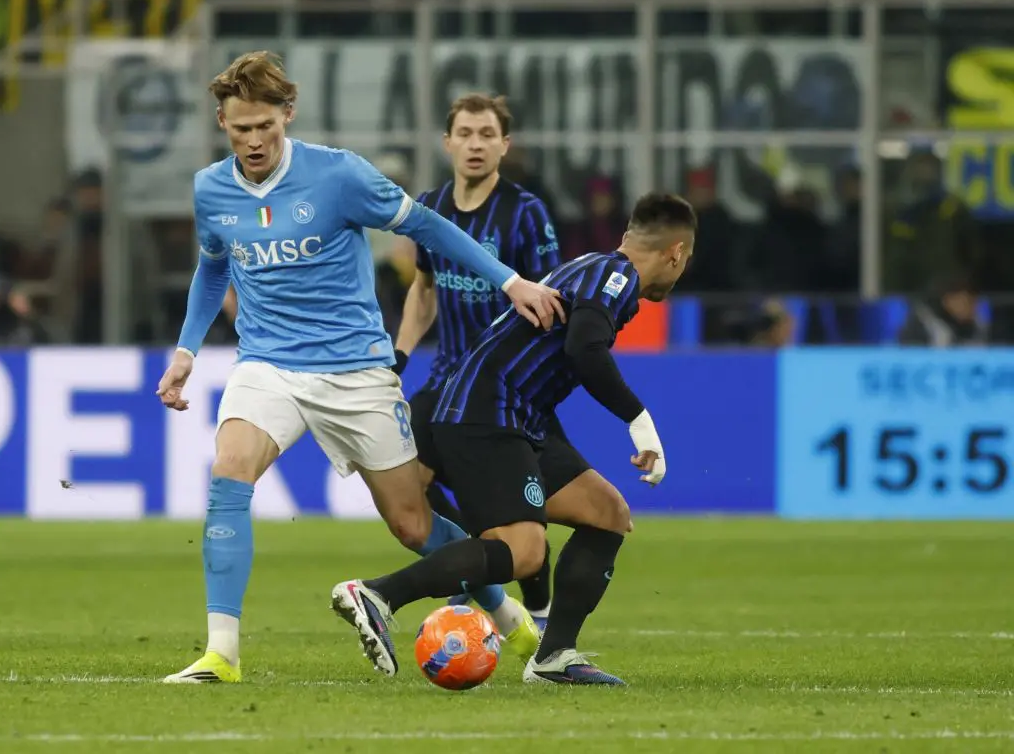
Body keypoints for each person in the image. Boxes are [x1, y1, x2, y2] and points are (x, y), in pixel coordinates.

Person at [154, 51, 562, 684]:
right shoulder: (211, 188)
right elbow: (213, 268)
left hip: (355, 370)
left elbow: (428, 225)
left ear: (288, 115)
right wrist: (186, 351)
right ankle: (221, 654)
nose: (254, 141)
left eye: (265, 126)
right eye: (241, 129)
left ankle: (509, 618)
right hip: (267, 365)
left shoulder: (338, 175)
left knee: (412, 524)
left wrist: (510, 282)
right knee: (228, 472)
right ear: (222, 123)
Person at [330, 193, 696, 685]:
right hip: (488, 413)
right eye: (686, 260)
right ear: (676, 252)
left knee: (607, 513)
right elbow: (585, 347)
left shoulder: (593, 267)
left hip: (516, 416)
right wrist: (639, 421)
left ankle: (553, 657)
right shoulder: (617, 277)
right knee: (523, 551)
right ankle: (378, 595)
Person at [391, 93, 561, 630]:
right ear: (447, 143)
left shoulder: (525, 213)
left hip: (508, 391)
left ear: (505, 146)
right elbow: (424, 288)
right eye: (465, 133)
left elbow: (551, 299)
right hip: (446, 381)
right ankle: (477, 566)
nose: (475, 144)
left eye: (487, 135)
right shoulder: (430, 208)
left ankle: (540, 619)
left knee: (525, 516)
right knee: (404, 489)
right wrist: (399, 356)